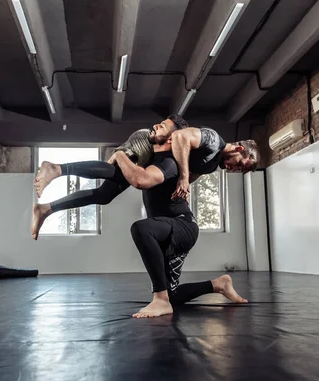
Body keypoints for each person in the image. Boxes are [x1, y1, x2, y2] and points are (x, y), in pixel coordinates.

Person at [105, 133, 248, 318]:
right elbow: (135, 176)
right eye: (240, 165)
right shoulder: (155, 166)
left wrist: (119, 155)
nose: (233, 169)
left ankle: (160, 301)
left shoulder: (170, 164)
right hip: (165, 231)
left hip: (182, 225)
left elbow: (181, 136)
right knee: (171, 294)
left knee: (141, 228)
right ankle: (218, 284)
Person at [30, 115, 188, 240]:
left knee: (104, 195)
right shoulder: (160, 147)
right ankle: (55, 169)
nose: (155, 125)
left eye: (162, 126)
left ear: (170, 138)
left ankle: (45, 208)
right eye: (159, 123)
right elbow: (143, 180)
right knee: (117, 175)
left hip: (151, 153)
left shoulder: (176, 156)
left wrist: (184, 184)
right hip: (144, 143)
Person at [170, 127, 260, 200]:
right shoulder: (213, 140)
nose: (234, 169)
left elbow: (183, 181)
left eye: (239, 169)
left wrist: (183, 190)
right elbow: (179, 136)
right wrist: (184, 177)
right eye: (239, 164)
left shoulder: (212, 166)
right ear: (239, 149)